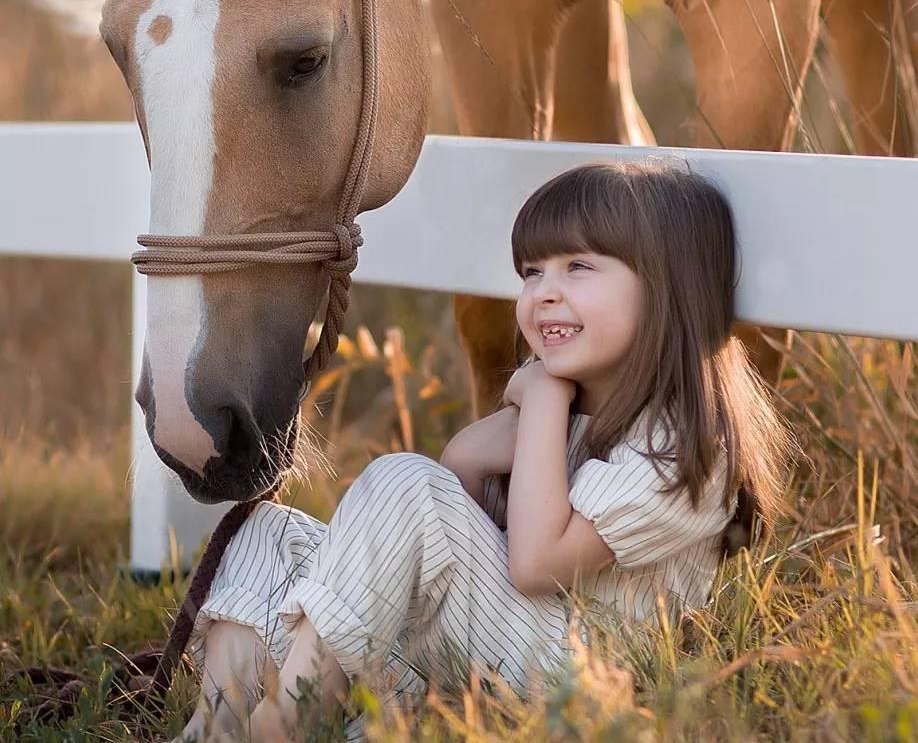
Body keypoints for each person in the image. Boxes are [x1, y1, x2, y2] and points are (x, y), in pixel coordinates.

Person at [175, 160, 794, 741]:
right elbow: (462, 474)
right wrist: (545, 405)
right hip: (488, 649)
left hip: (577, 677)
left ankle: (289, 720)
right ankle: (219, 722)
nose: (543, 293)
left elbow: (532, 564)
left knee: (404, 484)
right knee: (270, 529)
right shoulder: (571, 409)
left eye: (578, 267)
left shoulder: (682, 446)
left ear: (667, 290)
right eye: (532, 272)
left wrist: (545, 399)